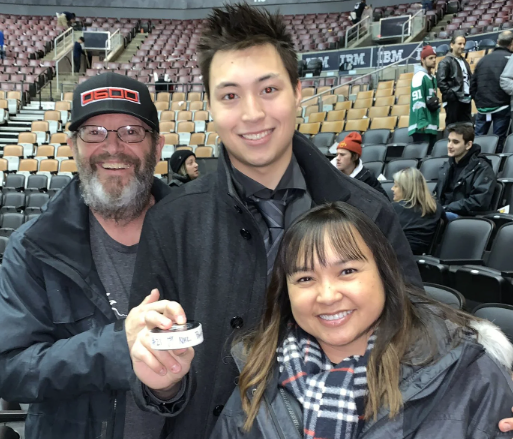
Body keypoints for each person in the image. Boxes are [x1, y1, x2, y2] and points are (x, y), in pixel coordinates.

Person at [126, 4, 422, 439]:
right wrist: (160, 380)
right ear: (208, 104)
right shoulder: (170, 222)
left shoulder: (370, 212)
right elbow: (155, 380)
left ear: (297, 91)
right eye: (230, 95)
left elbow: (418, 341)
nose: (252, 114)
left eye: (268, 90)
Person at [210, 202, 513, 439]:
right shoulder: (257, 373)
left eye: (347, 271)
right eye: (305, 277)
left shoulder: (470, 373)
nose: (327, 295)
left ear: (384, 274)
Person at [0, 72, 176, 439]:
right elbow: (11, 370)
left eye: (131, 131)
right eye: (93, 133)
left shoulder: (199, 235)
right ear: (73, 145)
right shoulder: (34, 247)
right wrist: (118, 346)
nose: (113, 147)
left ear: (157, 146)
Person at [434, 123, 495, 220]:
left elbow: (478, 201)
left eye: (455, 142)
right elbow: (437, 195)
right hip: (444, 212)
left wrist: (445, 208)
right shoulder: (447, 166)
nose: (450, 145)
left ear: (468, 145)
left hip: (465, 217)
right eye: (449, 141)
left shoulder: (483, 168)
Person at [471, 31, 513, 153]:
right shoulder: (510, 60)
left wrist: (479, 103)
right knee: (498, 142)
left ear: (498, 42)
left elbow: (472, 85)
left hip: (483, 108)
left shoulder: (483, 60)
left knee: (478, 141)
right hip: (502, 107)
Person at [391, 167, 443, 255]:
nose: (392, 189)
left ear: (406, 188)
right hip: (421, 259)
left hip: (394, 257)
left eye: (396, 186)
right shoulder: (436, 207)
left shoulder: (394, 208)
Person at [332, 132, 388, 198]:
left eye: (342, 155)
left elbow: (384, 203)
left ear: (355, 157)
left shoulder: (368, 179)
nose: (337, 158)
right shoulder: (330, 175)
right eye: (337, 154)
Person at [436, 35, 472, 127]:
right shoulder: (445, 62)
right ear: (452, 45)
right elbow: (440, 81)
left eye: (464, 44)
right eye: (459, 43)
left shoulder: (464, 61)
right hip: (454, 101)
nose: (462, 46)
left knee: (467, 129)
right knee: (453, 128)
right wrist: (451, 95)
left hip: (466, 100)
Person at [409, 45, 439, 147]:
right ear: (423, 60)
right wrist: (421, 121)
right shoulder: (419, 77)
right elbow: (417, 101)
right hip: (422, 127)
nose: (434, 60)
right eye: (431, 58)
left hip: (431, 126)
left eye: (435, 57)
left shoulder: (432, 77)